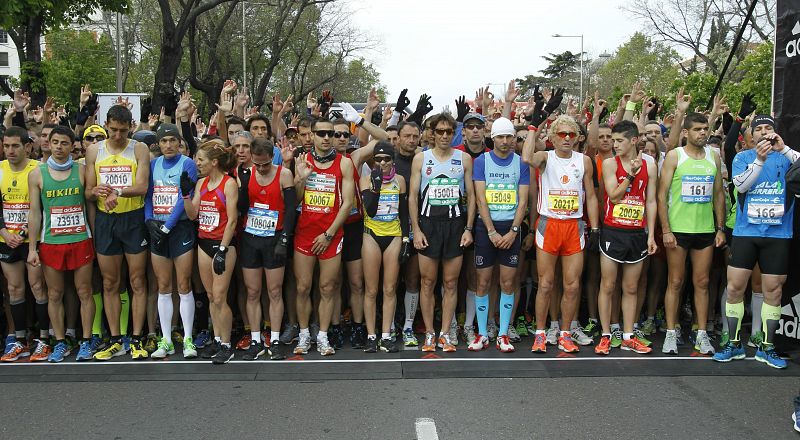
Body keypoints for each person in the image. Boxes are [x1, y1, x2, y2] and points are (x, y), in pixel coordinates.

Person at [713, 114, 798, 369]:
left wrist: (784, 148)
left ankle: (767, 347)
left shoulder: (786, 157)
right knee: (735, 288)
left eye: (767, 127)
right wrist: (759, 160)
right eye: (758, 128)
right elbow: (740, 186)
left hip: (777, 234)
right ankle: (733, 343)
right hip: (746, 233)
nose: (763, 132)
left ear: (775, 132)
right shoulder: (743, 157)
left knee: (774, 291)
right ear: (751, 134)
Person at [524, 115, 600, 354]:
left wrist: (595, 229)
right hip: (550, 225)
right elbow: (526, 157)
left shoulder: (584, 161)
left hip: (574, 226)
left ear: (577, 138)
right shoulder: (546, 157)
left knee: (572, 285)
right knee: (546, 284)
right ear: (553, 137)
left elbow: (591, 196)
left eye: (571, 134)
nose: (567, 138)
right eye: (562, 134)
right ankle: (540, 333)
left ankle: (565, 334)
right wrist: (533, 127)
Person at [658, 112, 726, 355]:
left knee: (702, 282)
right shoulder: (675, 156)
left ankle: (701, 334)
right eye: (697, 129)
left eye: (705, 129)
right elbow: (661, 194)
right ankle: (670, 332)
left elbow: (718, 193)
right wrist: (666, 229)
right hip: (678, 230)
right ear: (686, 132)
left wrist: (720, 228)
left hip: (704, 229)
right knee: (675, 282)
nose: (703, 133)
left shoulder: (713, 156)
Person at [87, 105, 152, 361]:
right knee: (110, 282)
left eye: (123, 131)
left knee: (137, 281)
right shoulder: (94, 150)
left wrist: (118, 192)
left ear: (131, 127)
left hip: (132, 219)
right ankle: (115, 339)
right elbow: (88, 191)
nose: (117, 135)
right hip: (106, 221)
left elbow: (143, 186)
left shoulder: (139, 148)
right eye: (113, 130)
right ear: (106, 125)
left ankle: (135, 338)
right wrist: (96, 191)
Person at [27, 126, 96, 362]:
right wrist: (32, 248)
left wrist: (94, 239)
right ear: (48, 143)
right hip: (51, 243)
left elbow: (90, 207)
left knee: (84, 291)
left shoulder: (82, 170)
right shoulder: (37, 174)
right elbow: (34, 213)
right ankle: (59, 342)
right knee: (55, 293)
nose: (58, 147)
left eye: (64, 143)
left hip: (80, 240)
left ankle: (85, 341)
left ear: (72, 146)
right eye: (55, 142)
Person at [409, 112, 475, 352]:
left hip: (455, 226)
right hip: (428, 225)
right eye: (440, 131)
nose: (445, 136)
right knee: (427, 282)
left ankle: (445, 333)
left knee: (450, 282)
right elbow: (413, 197)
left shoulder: (464, 159)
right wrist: (416, 230)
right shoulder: (421, 159)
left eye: (449, 131)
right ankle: (429, 333)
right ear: (432, 134)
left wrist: (468, 228)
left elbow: (472, 197)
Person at [292, 117, 355, 356]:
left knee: (327, 287)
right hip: (305, 233)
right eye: (321, 133)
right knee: (302, 287)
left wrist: (328, 234)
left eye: (331, 133)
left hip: (331, 234)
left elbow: (347, 203)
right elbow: (296, 199)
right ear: (312, 135)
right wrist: (301, 178)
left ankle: (323, 336)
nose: (327, 138)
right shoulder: (302, 160)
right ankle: (304, 334)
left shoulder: (344, 163)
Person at [595, 120, 658, 355]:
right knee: (608, 285)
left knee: (631, 287)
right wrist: (630, 175)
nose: (614, 144)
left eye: (619, 140)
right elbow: (613, 195)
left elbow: (651, 201)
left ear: (633, 140)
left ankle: (629, 336)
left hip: (636, 233)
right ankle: (605, 335)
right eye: (613, 140)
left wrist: (651, 235)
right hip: (613, 231)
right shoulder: (610, 164)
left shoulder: (650, 165)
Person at [468, 117, 529, 353]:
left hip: (510, 229)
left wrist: (513, 231)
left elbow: (523, 201)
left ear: (513, 138)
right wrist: (491, 231)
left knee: (507, 282)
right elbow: (480, 199)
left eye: (508, 137)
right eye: (500, 137)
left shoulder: (520, 163)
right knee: (482, 282)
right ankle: (483, 333)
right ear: (492, 138)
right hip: (486, 229)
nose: (505, 141)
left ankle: (503, 333)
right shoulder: (481, 161)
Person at [144, 123, 200, 360]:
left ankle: (187, 339)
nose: (168, 145)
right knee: (163, 286)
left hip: (179, 229)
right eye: (164, 141)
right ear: (158, 144)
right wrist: (149, 220)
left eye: (172, 141)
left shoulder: (187, 163)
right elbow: (149, 195)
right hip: (158, 229)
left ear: (179, 143)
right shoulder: (153, 164)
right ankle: (165, 339)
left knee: (184, 285)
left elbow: (183, 198)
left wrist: (168, 226)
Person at [237, 138, 296, 361]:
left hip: (274, 237)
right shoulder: (247, 173)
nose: (261, 168)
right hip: (251, 237)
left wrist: (284, 239)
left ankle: (276, 339)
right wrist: (244, 186)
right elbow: (242, 208)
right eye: (257, 164)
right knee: (252, 291)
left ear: (272, 157)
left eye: (265, 164)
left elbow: (291, 209)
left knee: (274, 291)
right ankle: (255, 339)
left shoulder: (283, 174)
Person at [183, 141, 239, 364]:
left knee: (219, 296)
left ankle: (226, 344)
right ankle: (216, 339)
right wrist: (185, 195)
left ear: (214, 162)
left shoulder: (229, 183)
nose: (197, 163)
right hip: (204, 243)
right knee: (210, 296)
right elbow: (192, 215)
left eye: (201, 160)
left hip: (222, 244)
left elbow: (232, 220)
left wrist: (223, 249)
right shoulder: (201, 183)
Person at [0, 126, 49, 362]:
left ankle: (44, 339)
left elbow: (43, 208)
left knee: (38, 287)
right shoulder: (0, 169)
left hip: (33, 239)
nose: (10, 151)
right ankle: (19, 339)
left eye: (15, 146)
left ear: (27, 147)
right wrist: (4, 232)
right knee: (14, 289)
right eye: (6, 146)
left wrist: (24, 232)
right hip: (6, 240)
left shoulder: (38, 169)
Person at [360, 141, 409, 353]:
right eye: (378, 159)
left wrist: (406, 239)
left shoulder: (400, 180)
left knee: (389, 288)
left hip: (394, 235)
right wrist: (376, 186)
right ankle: (372, 335)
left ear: (392, 160)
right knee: (371, 289)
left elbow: (404, 213)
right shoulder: (366, 180)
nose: (382, 163)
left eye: (386, 159)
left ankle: (386, 335)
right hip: (372, 235)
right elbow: (370, 211)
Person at [394, 121, 423, 347]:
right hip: (391, 228)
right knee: (391, 282)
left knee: (413, 279)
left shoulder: (423, 159)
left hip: (417, 228)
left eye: (415, 136)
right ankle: (389, 325)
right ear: (398, 137)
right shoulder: (387, 158)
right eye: (407, 136)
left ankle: (408, 326)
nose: (412, 140)